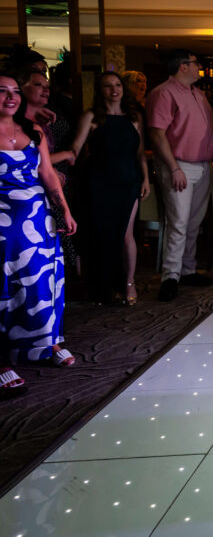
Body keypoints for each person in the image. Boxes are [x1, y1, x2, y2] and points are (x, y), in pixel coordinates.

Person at [0, 73, 78, 398]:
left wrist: (65, 210)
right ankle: (2, 360)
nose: (11, 97)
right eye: (2, 92)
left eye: (15, 91)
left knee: (44, 282)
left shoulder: (32, 130)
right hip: (3, 226)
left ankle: (49, 343)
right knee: (6, 289)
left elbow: (46, 172)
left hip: (38, 218)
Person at [70, 72, 149, 305]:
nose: (114, 90)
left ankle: (129, 282)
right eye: (108, 86)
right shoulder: (92, 116)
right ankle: (103, 286)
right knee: (102, 234)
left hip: (129, 180)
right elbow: (76, 149)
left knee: (126, 234)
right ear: (100, 89)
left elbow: (140, 153)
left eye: (118, 85)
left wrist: (145, 179)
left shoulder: (134, 117)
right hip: (99, 181)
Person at [147, 49, 213, 302]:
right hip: (179, 165)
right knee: (178, 223)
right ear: (183, 66)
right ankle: (170, 277)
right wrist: (174, 167)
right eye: (197, 63)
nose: (200, 67)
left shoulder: (198, 94)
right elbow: (157, 133)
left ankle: (187, 269)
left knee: (194, 223)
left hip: (203, 165)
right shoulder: (163, 92)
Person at [17, 68, 79, 274]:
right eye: (37, 85)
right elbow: (35, 163)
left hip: (46, 193)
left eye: (47, 87)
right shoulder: (17, 126)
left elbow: (43, 165)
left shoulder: (40, 124)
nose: (45, 90)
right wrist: (65, 155)